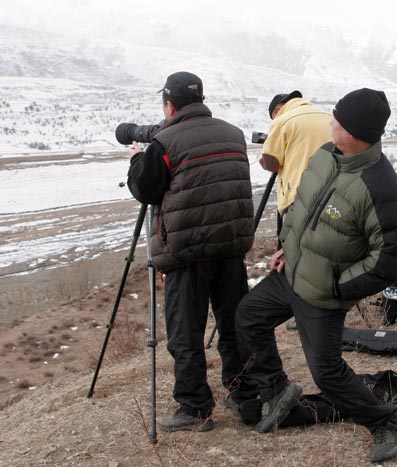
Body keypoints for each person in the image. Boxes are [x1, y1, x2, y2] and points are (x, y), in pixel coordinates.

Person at [235, 88, 397, 463]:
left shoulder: (381, 188)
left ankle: (384, 422)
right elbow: (301, 205)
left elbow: (390, 260)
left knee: (328, 374)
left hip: (323, 293)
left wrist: (339, 285)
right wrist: (286, 244)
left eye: (339, 120)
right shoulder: (327, 154)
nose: (331, 123)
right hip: (292, 273)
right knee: (249, 317)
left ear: (357, 132)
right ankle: (277, 389)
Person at [126, 71, 256, 432]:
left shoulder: (164, 142)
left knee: (185, 333)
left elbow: (144, 189)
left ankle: (195, 408)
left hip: (188, 254)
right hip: (230, 246)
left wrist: (138, 158)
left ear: (169, 105)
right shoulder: (233, 133)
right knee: (233, 325)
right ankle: (245, 394)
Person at [260, 90, 332, 331]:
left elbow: (270, 162)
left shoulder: (283, 120)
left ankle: (300, 310)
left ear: (278, 109)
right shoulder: (326, 117)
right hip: (333, 198)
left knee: (295, 258)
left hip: (297, 200)